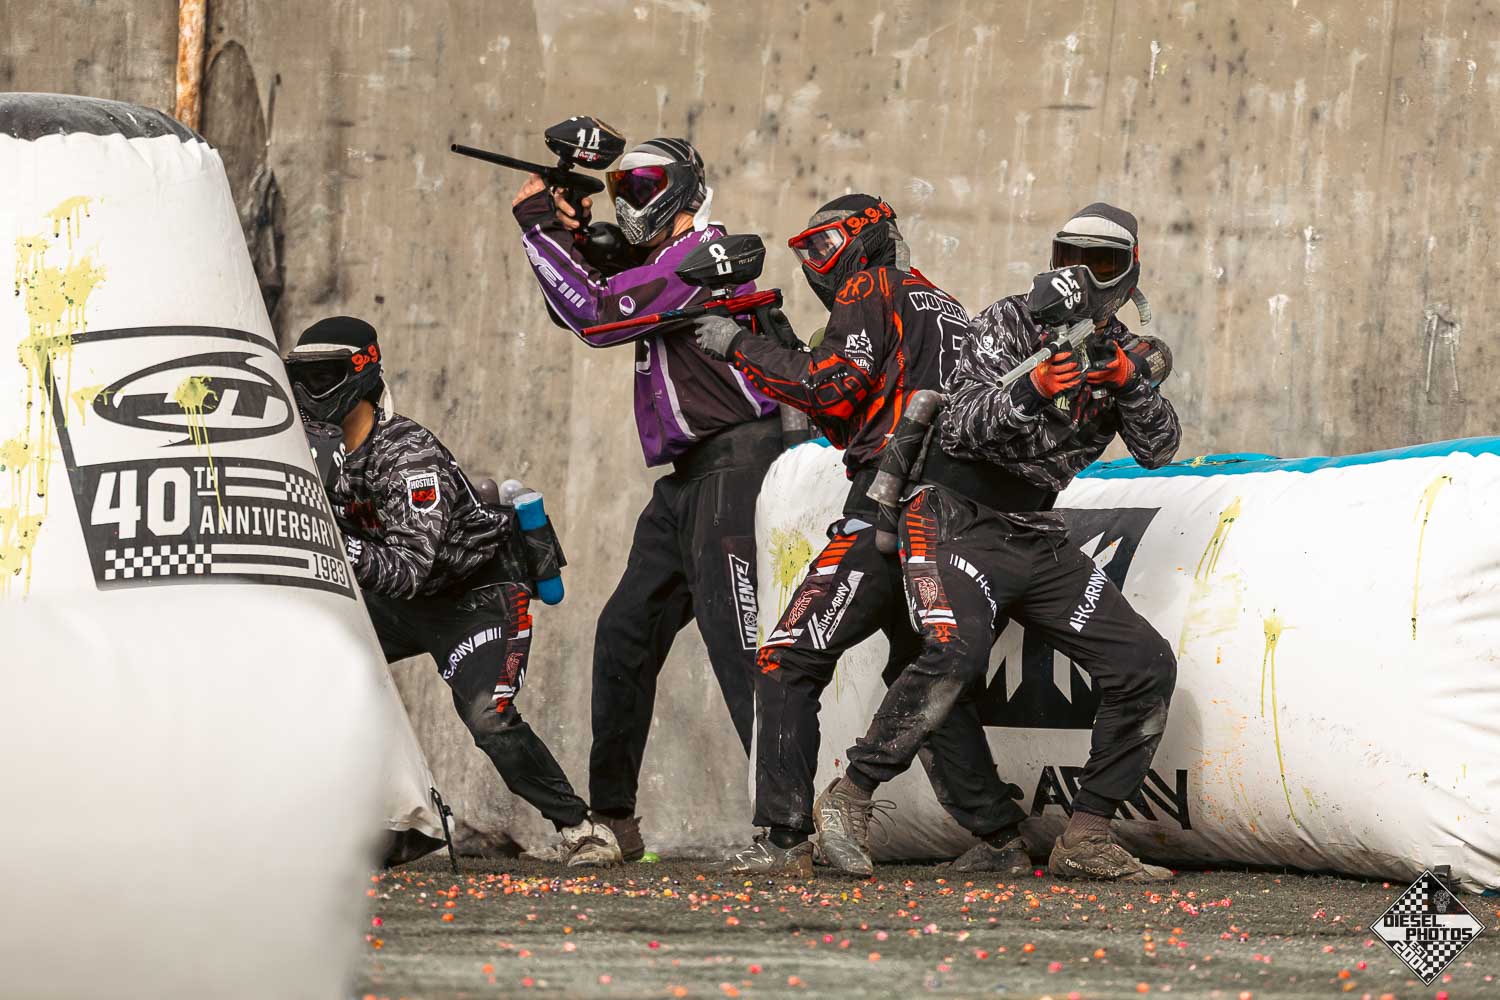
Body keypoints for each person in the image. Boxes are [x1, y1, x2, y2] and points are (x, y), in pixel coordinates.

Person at [812, 203, 1182, 882]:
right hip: (952, 513)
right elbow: (959, 429)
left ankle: (1087, 835)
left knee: (1145, 664)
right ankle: (850, 798)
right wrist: (1032, 389)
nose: (1083, 275)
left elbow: (1159, 449)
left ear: (1130, 271)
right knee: (954, 651)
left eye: (1101, 262)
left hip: (1035, 531)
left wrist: (1129, 384)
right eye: (1071, 258)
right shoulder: (1009, 322)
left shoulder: (1122, 353)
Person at [693, 194, 1030, 877]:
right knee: (919, 667)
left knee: (787, 656)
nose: (818, 265)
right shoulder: (946, 305)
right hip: (953, 510)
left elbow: (832, 390)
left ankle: (783, 840)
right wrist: (785, 350)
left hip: (893, 499)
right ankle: (1000, 838)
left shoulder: (871, 285)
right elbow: (859, 405)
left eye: (824, 246)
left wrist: (739, 346)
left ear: (866, 238)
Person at [510, 137, 782, 861]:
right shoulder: (664, 266)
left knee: (739, 643)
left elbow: (598, 316)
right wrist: (571, 236)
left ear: (685, 190)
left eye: (644, 187)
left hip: (739, 466)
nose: (631, 201)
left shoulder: (705, 258)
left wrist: (541, 227)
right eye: (621, 188)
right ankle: (615, 822)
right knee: (625, 635)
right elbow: (583, 305)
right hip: (686, 481)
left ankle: (788, 828)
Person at [284, 316, 621, 867]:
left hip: (478, 597)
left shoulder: (408, 456)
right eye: (299, 377)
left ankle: (582, 829)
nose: (307, 391)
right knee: (302, 666)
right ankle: (374, 821)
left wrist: (325, 535)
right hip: (402, 604)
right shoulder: (311, 449)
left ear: (361, 373)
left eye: (322, 376)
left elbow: (407, 569)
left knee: (489, 715)